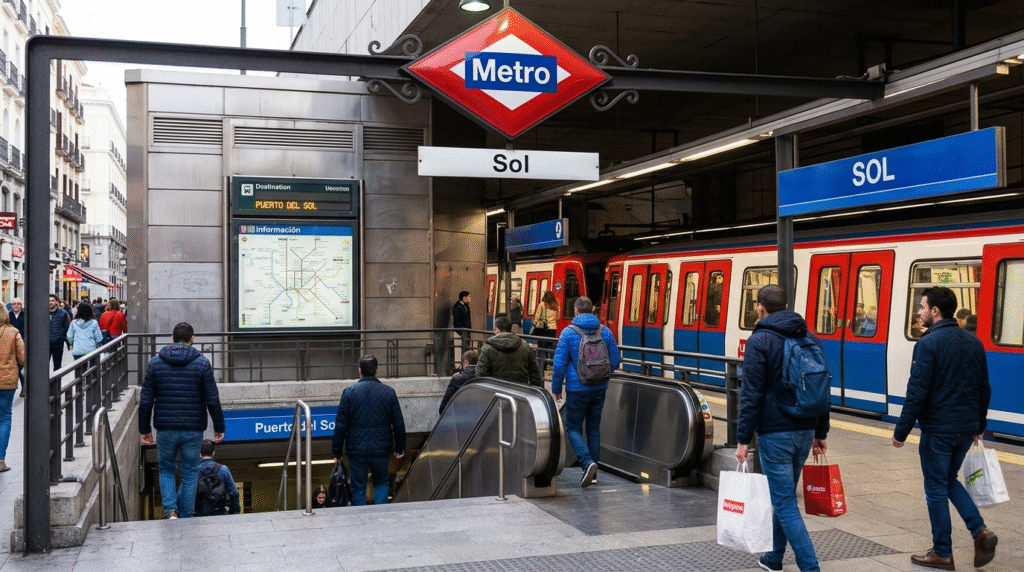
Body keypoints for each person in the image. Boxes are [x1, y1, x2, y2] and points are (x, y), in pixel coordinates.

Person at [892, 287, 996, 570]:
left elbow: (917, 391)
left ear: (935, 311)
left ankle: (942, 552)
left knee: (936, 488)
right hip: (965, 428)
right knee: (949, 480)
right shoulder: (973, 342)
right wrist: (979, 425)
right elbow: (984, 387)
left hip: (938, 429)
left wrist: (901, 431)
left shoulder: (928, 344)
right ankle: (980, 531)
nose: (919, 312)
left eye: (922, 307)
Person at [735, 285, 829, 572]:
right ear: (786, 306)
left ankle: (810, 567)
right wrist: (820, 432)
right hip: (805, 430)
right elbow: (821, 386)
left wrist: (742, 439)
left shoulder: (759, 340)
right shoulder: (808, 336)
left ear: (760, 307)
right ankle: (773, 558)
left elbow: (751, 393)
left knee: (785, 502)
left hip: (776, 433)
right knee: (783, 496)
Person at [139, 322, 225, 519]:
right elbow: (212, 399)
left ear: (172, 338)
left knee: (166, 470)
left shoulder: (155, 363)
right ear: (192, 339)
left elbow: (146, 399)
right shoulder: (202, 363)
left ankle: (170, 512)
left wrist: (145, 429)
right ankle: (185, 516)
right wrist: (219, 427)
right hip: (193, 428)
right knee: (189, 473)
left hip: (165, 428)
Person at [551, 296, 621, 488]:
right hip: (599, 388)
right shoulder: (605, 331)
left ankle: (587, 462)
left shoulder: (568, 332)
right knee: (593, 428)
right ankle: (594, 474)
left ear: (576, 311)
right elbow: (615, 361)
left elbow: (558, 365)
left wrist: (556, 389)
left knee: (573, 428)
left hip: (577, 389)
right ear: (593, 310)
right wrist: (600, 375)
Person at [332, 355, 406, 506]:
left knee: (358, 487)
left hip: (356, 450)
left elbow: (340, 425)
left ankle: (362, 517)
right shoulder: (388, 392)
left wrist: (336, 452)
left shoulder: (349, 392)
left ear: (360, 371)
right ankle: (381, 514)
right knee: (381, 482)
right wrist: (400, 448)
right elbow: (398, 423)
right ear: (377, 370)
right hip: (381, 448)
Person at [476, 316, 543, 388]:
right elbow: (535, 372)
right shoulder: (525, 346)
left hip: (496, 390)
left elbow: (481, 373)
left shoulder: (487, 348)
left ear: (496, 330)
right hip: (520, 390)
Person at [0, 311, 25, 473]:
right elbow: (23, 358)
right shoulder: (13, 332)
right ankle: (0, 460)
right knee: (4, 418)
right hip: (6, 381)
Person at [194, 439, 240, 516]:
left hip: (200, 514)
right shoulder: (223, 469)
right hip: (219, 512)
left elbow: (187, 493)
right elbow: (233, 492)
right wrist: (236, 511)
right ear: (213, 453)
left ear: (200, 454)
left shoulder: (194, 471)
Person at [68, 302, 104, 377]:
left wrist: (73, 344)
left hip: (78, 350)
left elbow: (69, 336)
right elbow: (99, 338)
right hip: (91, 350)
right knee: (92, 371)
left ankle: (80, 384)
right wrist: (96, 344)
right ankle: (91, 383)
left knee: (79, 372)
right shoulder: (94, 323)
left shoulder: (73, 323)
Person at [440, 349, 478, 415]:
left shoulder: (457, 379)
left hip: (461, 415)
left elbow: (444, 405)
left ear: (466, 362)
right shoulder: (483, 376)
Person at [48, 294, 71, 371]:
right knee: (43, 367)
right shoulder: (43, 313)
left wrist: (61, 337)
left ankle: (56, 379)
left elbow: (67, 327)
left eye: (52, 300)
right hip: (45, 344)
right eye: (49, 301)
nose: (50, 302)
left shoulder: (63, 313)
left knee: (57, 366)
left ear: (56, 302)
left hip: (58, 343)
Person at [8, 298, 25, 397]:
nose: (16, 305)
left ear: (21, 305)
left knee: (22, 367)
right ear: (11, 305)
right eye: (14, 304)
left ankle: (24, 387)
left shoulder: (25, 315)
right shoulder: (8, 315)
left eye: (18, 304)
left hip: (22, 343)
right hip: (11, 344)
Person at [452, 291, 472, 357]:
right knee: (464, 349)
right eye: (469, 297)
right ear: (464, 298)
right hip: (462, 331)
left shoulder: (466, 306)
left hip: (467, 331)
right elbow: (456, 321)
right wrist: (462, 331)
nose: (470, 298)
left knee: (467, 348)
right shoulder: (457, 307)